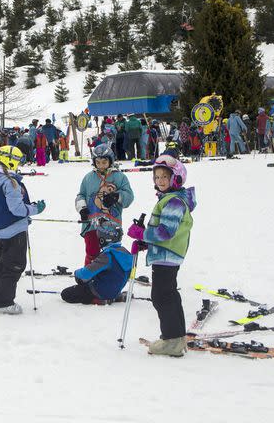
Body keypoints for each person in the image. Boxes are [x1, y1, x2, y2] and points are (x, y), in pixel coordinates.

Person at [127, 155, 196, 357]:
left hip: (167, 256)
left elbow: (166, 233)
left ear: (176, 178)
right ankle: (177, 337)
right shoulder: (170, 199)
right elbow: (163, 234)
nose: (160, 181)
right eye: (157, 177)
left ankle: (171, 341)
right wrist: (146, 243)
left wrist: (143, 234)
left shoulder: (174, 201)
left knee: (162, 296)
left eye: (165, 176)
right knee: (169, 295)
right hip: (166, 254)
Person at [0, 145, 46, 314]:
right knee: (14, 266)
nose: (19, 165)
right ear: (10, 161)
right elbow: (16, 209)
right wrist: (35, 209)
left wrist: (25, 214)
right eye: (17, 162)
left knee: (1, 265)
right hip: (15, 231)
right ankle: (3, 303)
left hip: (2, 230)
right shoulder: (10, 182)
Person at [75, 143, 134, 265]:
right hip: (91, 225)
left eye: (104, 162)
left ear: (110, 161)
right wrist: (82, 208)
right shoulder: (88, 178)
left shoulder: (120, 177)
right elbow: (81, 195)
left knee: (110, 254)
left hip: (111, 225)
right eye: (98, 162)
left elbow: (129, 197)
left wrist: (117, 196)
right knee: (92, 253)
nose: (101, 165)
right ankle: (88, 278)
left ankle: (108, 278)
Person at [61, 220, 133, 305]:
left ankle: (98, 300)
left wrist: (77, 273)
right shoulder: (127, 253)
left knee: (66, 294)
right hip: (115, 291)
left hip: (99, 292)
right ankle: (113, 296)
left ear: (103, 239)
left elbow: (85, 274)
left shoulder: (107, 256)